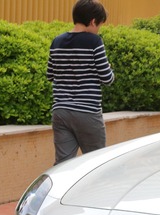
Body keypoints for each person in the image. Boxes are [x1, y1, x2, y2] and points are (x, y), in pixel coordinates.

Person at [47, 0, 115, 165]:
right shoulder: (94, 42)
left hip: (61, 111)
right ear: (93, 21)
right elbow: (107, 78)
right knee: (95, 163)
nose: (98, 29)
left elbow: (50, 75)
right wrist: (109, 69)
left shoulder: (57, 42)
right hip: (87, 112)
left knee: (63, 164)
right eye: (99, 25)